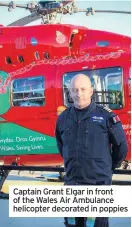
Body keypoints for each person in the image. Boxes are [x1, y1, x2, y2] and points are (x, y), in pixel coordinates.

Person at [55, 74, 128, 227]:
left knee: (95, 225)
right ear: (69, 93)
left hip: (97, 186)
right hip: (72, 185)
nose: (78, 94)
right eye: (74, 90)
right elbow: (62, 146)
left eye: (83, 89)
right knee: (72, 224)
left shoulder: (106, 116)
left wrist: (107, 168)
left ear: (91, 91)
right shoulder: (63, 118)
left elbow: (121, 147)